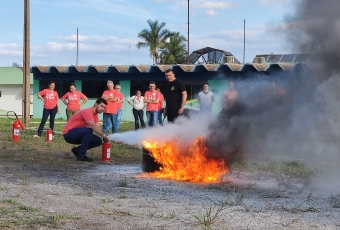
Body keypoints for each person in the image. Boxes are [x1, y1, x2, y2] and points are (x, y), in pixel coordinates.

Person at [63, 98, 109, 162]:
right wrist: (102, 134)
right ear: (96, 104)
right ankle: (81, 156)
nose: (103, 109)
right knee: (89, 130)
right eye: (102, 106)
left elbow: (97, 126)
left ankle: (77, 150)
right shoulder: (87, 112)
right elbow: (93, 126)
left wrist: (103, 136)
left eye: (104, 107)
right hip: (68, 134)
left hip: (77, 134)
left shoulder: (95, 114)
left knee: (98, 141)